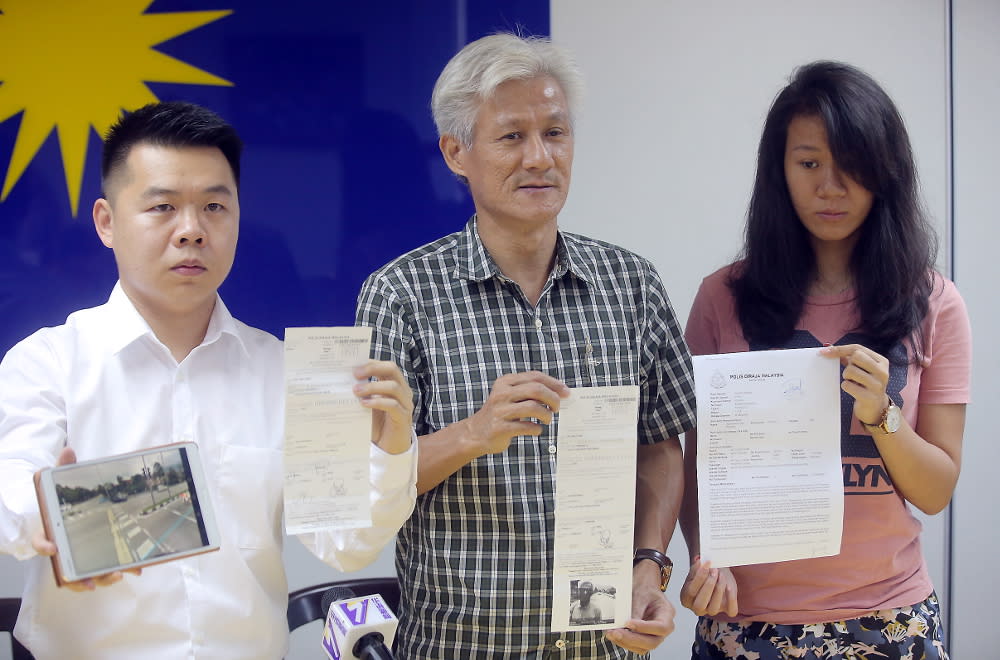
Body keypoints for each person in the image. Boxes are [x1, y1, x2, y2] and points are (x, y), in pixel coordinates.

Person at [0, 101, 417, 659]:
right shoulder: (46, 363)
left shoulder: (282, 372)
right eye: (163, 207)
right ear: (106, 222)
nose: (192, 231)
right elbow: (11, 491)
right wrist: (49, 516)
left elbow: (345, 546)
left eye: (215, 207)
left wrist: (390, 448)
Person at [356, 32, 696, 658]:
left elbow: (661, 443)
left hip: (602, 642)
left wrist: (649, 565)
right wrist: (476, 432)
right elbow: (373, 479)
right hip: (460, 644)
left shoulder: (633, 285)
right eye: (512, 136)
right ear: (457, 153)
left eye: (556, 133)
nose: (540, 157)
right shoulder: (401, 294)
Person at [679, 61, 971, 659]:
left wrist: (884, 416)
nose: (830, 188)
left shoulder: (934, 301)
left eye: (851, 166)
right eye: (809, 163)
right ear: (778, 171)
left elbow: (937, 489)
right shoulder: (721, 297)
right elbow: (695, 466)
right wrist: (704, 556)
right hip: (745, 619)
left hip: (889, 616)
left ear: (884, 173)